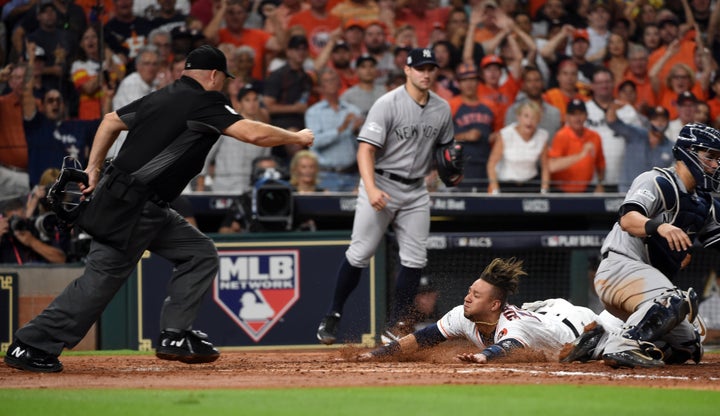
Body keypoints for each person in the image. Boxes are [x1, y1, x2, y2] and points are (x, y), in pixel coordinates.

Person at [3, 45, 314, 373]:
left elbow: (109, 121)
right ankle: (31, 344)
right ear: (213, 75)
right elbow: (252, 133)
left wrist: (93, 168)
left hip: (140, 204)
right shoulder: (206, 101)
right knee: (100, 281)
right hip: (131, 208)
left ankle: (175, 334)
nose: (222, 85)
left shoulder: (161, 95)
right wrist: (296, 136)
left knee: (199, 253)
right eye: (222, 78)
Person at [316, 48, 454, 345]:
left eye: (431, 68)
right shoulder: (387, 103)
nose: (426, 73)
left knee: (415, 258)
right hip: (381, 181)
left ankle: (396, 324)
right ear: (407, 70)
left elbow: (446, 151)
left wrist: (449, 168)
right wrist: (371, 187)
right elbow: (365, 149)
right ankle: (334, 313)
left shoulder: (442, 108)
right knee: (360, 252)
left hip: (416, 189)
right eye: (420, 68)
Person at [561, 123, 720, 368]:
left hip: (646, 291)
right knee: (675, 300)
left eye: (718, 158)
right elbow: (628, 218)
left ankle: (599, 343)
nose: (715, 164)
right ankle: (622, 345)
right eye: (710, 156)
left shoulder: (704, 202)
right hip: (619, 269)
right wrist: (660, 227)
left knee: (688, 346)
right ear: (688, 152)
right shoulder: (657, 181)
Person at [357, 258, 602, 363]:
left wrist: (484, 356)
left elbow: (508, 346)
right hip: (547, 311)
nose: (467, 298)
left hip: (578, 324)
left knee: (606, 351)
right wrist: (379, 354)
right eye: (469, 291)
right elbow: (424, 338)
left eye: (476, 295)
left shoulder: (512, 326)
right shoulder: (462, 315)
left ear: (494, 304)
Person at [196, 82, 272, 193]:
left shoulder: (265, 131)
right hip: (223, 187)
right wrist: (200, 186)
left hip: (251, 190)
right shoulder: (226, 125)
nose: (252, 104)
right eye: (247, 100)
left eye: (255, 99)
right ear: (240, 103)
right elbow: (206, 155)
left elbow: (265, 163)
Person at [304, 68, 363, 192]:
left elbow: (363, 145)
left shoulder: (353, 110)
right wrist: (340, 129)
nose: (331, 83)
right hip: (326, 175)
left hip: (352, 174)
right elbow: (314, 141)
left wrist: (357, 132)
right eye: (326, 81)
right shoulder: (313, 112)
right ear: (320, 87)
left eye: (333, 80)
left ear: (339, 84)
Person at [606, 104, 674, 193]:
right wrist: (613, 106)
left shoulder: (671, 147)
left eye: (663, 120)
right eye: (656, 120)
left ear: (668, 122)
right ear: (649, 121)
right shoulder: (635, 134)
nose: (659, 123)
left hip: (654, 195)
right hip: (627, 192)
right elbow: (612, 122)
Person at [487, 101, 550, 194]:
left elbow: (545, 167)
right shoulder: (506, 134)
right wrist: (495, 189)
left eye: (534, 117)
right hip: (506, 184)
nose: (529, 121)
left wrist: (544, 190)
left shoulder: (542, 136)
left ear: (539, 120)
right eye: (526, 116)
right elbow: (491, 164)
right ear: (518, 117)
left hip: (531, 183)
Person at [547, 99, 606, 193]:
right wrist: (581, 155)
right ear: (566, 117)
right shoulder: (561, 136)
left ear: (586, 116)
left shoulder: (595, 136)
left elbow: (600, 164)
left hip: (586, 190)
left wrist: (600, 184)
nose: (577, 118)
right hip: (561, 191)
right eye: (573, 114)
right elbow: (552, 166)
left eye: (581, 114)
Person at [0, 195, 67, 265]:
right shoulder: (4, 235)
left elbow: (61, 259)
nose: (17, 223)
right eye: (12, 220)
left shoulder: (35, 229)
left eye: (19, 219)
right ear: (5, 220)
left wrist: (32, 242)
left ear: (26, 215)